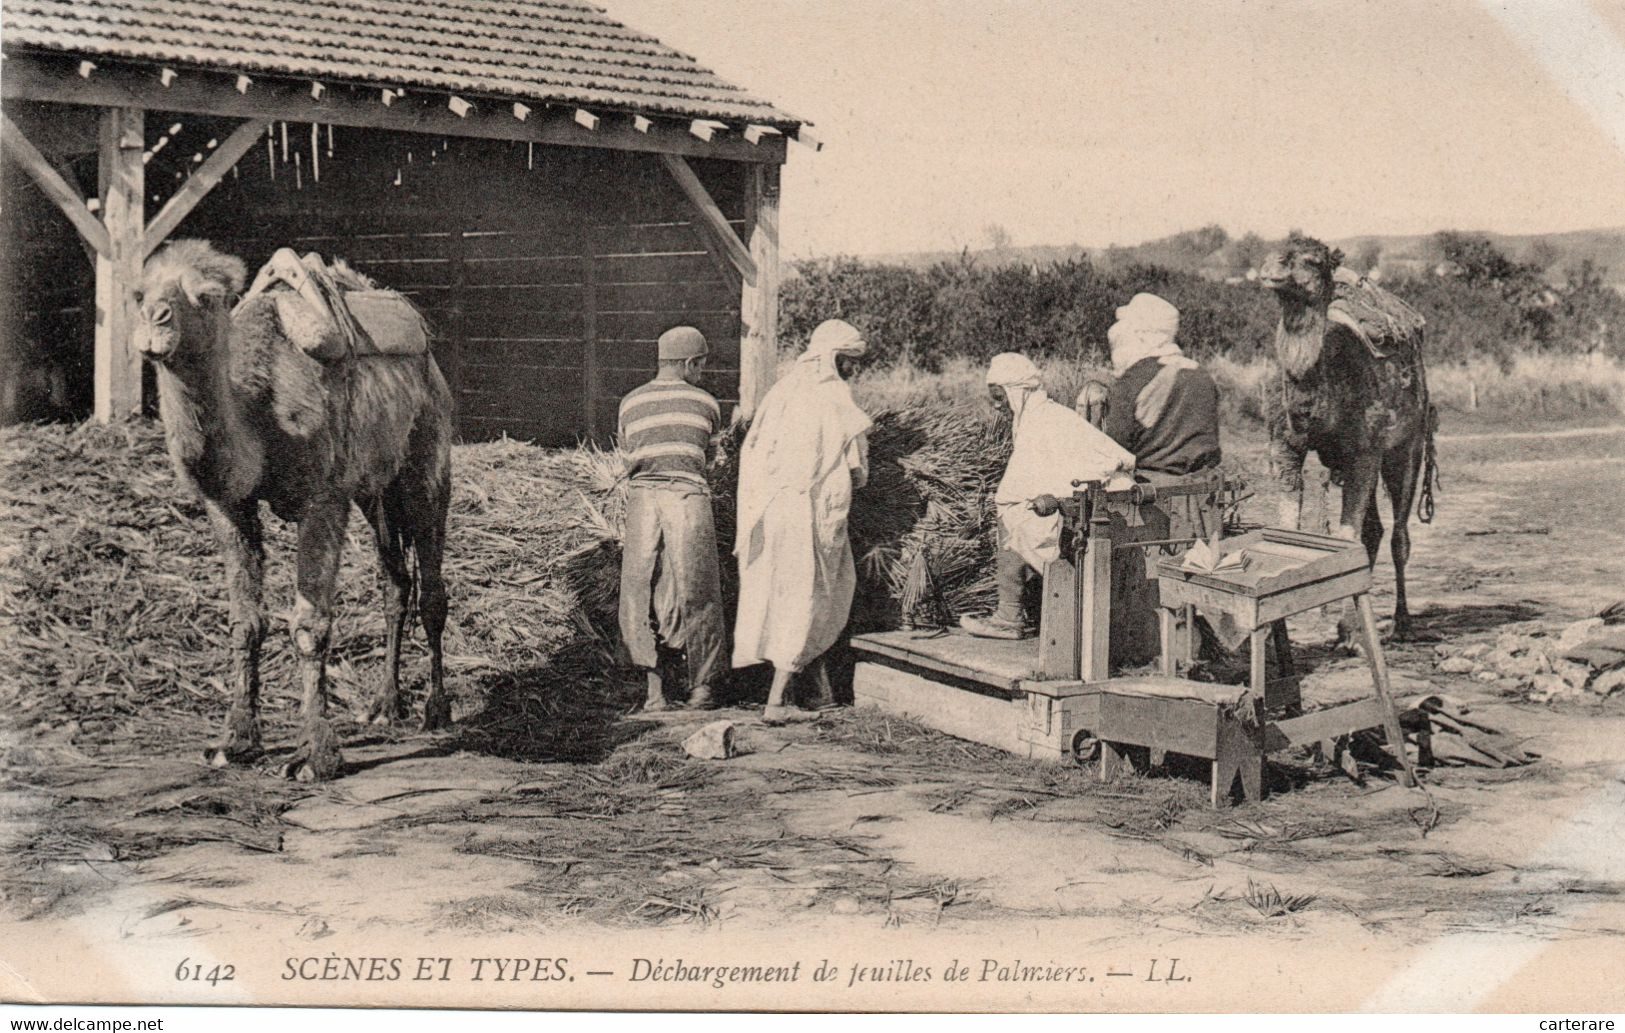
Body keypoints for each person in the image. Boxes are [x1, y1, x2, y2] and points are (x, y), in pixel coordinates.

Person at [732, 319, 871, 723]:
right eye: (849, 361)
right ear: (834, 358)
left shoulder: (783, 390)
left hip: (770, 512)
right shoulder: (834, 396)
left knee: (780, 598)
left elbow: (754, 452)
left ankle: (809, 691)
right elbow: (859, 471)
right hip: (807, 516)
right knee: (809, 599)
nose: (852, 369)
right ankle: (777, 703)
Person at [960, 353, 1136, 640]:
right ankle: (1027, 609)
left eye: (999, 396)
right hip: (1099, 498)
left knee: (1009, 516)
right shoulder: (1043, 414)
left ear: (1015, 392)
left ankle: (1009, 615)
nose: (996, 405)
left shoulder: (1041, 421)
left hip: (1101, 504)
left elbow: (1014, 491)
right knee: (1020, 513)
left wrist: (1008, 505)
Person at [617, 326, 725, 711]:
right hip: (689, 498)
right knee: (700, 591)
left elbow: (627, 458)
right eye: (702, 365)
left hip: (644, 500)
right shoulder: (707, 404)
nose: (703, 372)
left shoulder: (630, 403)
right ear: (690, 363)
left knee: (640, 590)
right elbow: (709, 461)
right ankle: (702, 689)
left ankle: (654, 693)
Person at [1101, 293, 1221, 478]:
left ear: (1141, 335)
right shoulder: (1202, 374)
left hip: (1149, 488)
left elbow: (1114, 447)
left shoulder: (1134, 379)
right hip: (1203, 482)